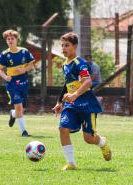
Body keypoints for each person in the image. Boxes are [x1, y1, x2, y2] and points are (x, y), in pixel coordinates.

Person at [52, 32, 112, 171]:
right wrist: (59, 102)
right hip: (71, 104)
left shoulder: (80, 63)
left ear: (75, 46)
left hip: (86, 104)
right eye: (62, 45)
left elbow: (88, 82)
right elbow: (67, 85)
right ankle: (71, 163)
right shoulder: (65, 65)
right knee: (62, 129)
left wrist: (75, 94)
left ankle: (102, 143)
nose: (64, 48)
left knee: (88, 139)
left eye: (67, 45)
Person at [0, 29, 35, 137]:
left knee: (21, 109)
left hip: (24, 81)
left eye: (12, 38)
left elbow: (31, 64)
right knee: (19, 107)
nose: (10, 40)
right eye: (8, 39)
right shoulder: (4, 54)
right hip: (12, 84)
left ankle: (13, 114)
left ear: (16, 39)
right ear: (6, 41)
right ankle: (24, 131)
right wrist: (5, 76)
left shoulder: (24, 51)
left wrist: (23, 70)